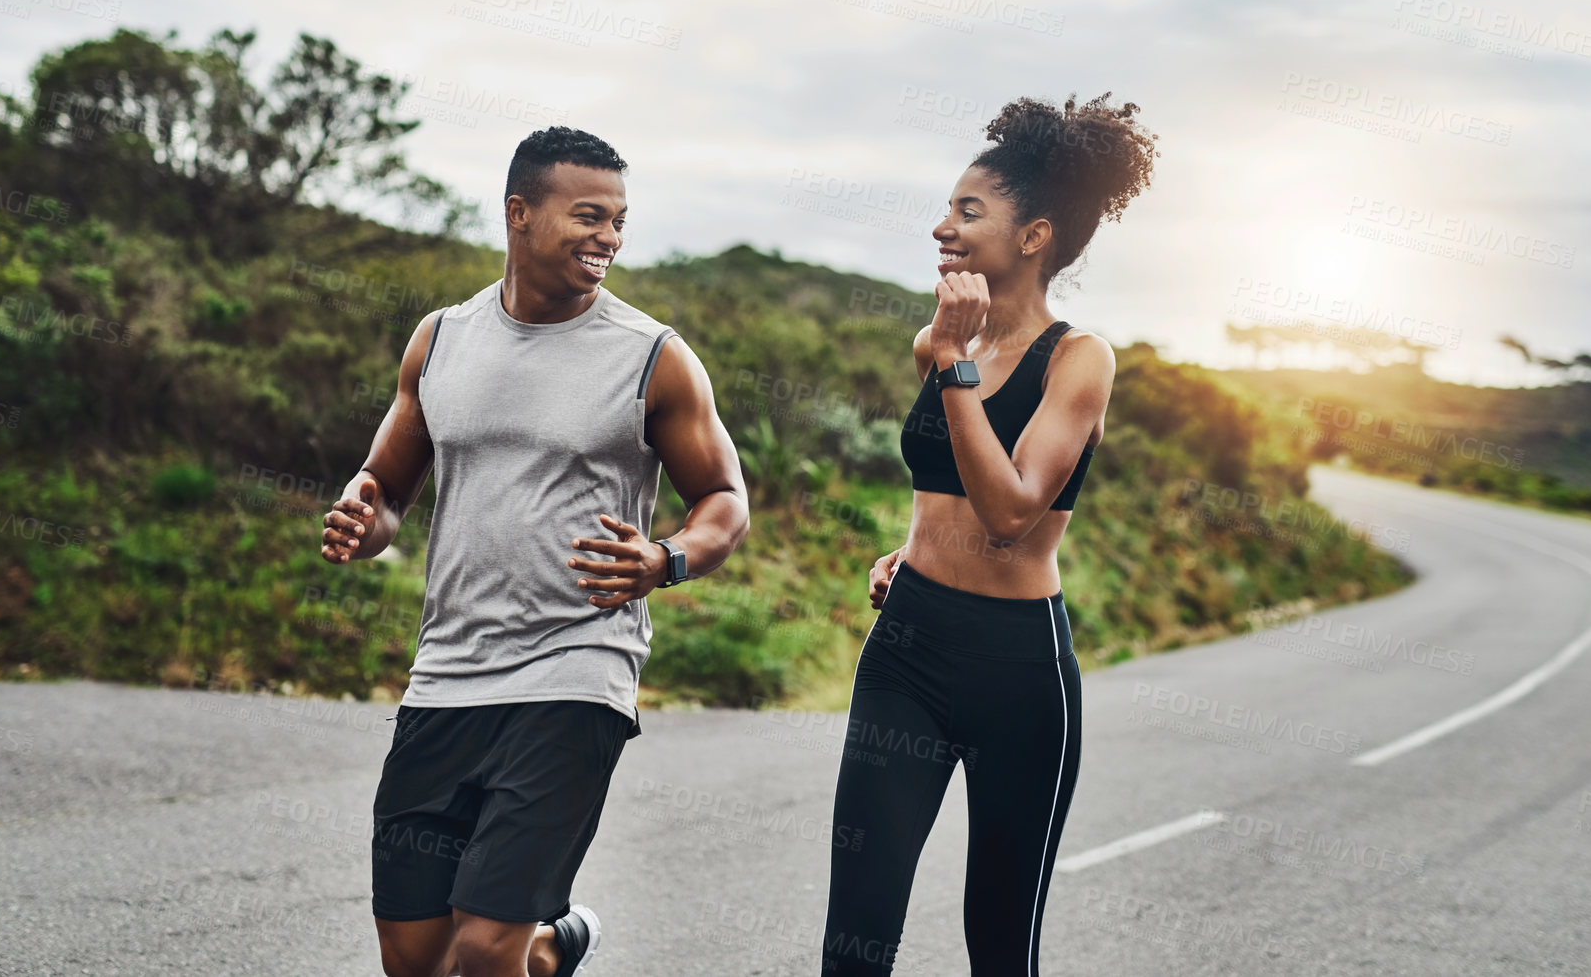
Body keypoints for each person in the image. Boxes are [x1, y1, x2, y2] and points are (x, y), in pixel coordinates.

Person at [321, 126, 750, 977]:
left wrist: (667, 559)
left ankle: (524, 947)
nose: (610, 239)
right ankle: (553, 951)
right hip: (447, 674)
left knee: (481, 950)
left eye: (620, 221)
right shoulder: (441, 339)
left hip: (576, 670)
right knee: (416, 959)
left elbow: (724, 500)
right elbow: (388, 483)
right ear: (519, 212)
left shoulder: (653, 357)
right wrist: (367, 520)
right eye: (588, 216)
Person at [820, 94, 1156, 976]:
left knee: (1000, 943)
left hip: (1017, 669)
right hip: (907, 649)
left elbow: (1011, 513)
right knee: (855, 932)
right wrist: (915, 545)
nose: (944, 227)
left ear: (1034, 235)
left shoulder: (1079, 358)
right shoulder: (939, 340)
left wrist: (957, 361)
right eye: (947, 207)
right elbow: (944, 480)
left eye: (969, 212)